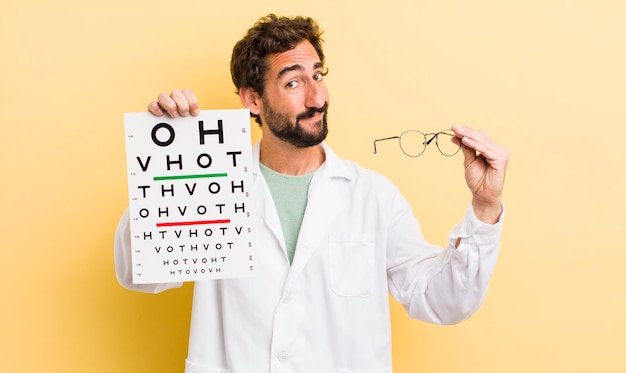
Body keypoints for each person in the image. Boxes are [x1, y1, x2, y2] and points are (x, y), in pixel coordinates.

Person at [114, 14, 509, 373]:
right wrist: (174, 165)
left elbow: (442, 301)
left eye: (317, 76)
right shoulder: (211, 186)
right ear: (252, 99)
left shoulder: (372, 197)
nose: (316, 98)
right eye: (293, 82)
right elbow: (141, 275)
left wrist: (485, 206)